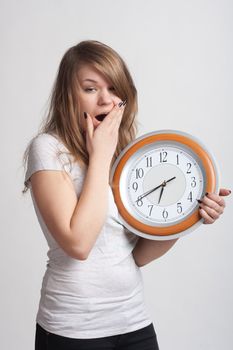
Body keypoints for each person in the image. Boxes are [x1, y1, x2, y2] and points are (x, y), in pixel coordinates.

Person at [22, 40, 230, 350]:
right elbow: (78, 244)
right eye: (90, 89)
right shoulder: (49, 149)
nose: (105, 100)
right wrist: (101, 157)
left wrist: (186, 218)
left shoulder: (128, 156)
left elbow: (137, 256)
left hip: (133, 322)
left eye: (114, 88)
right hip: (73, 330)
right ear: (69, 95)